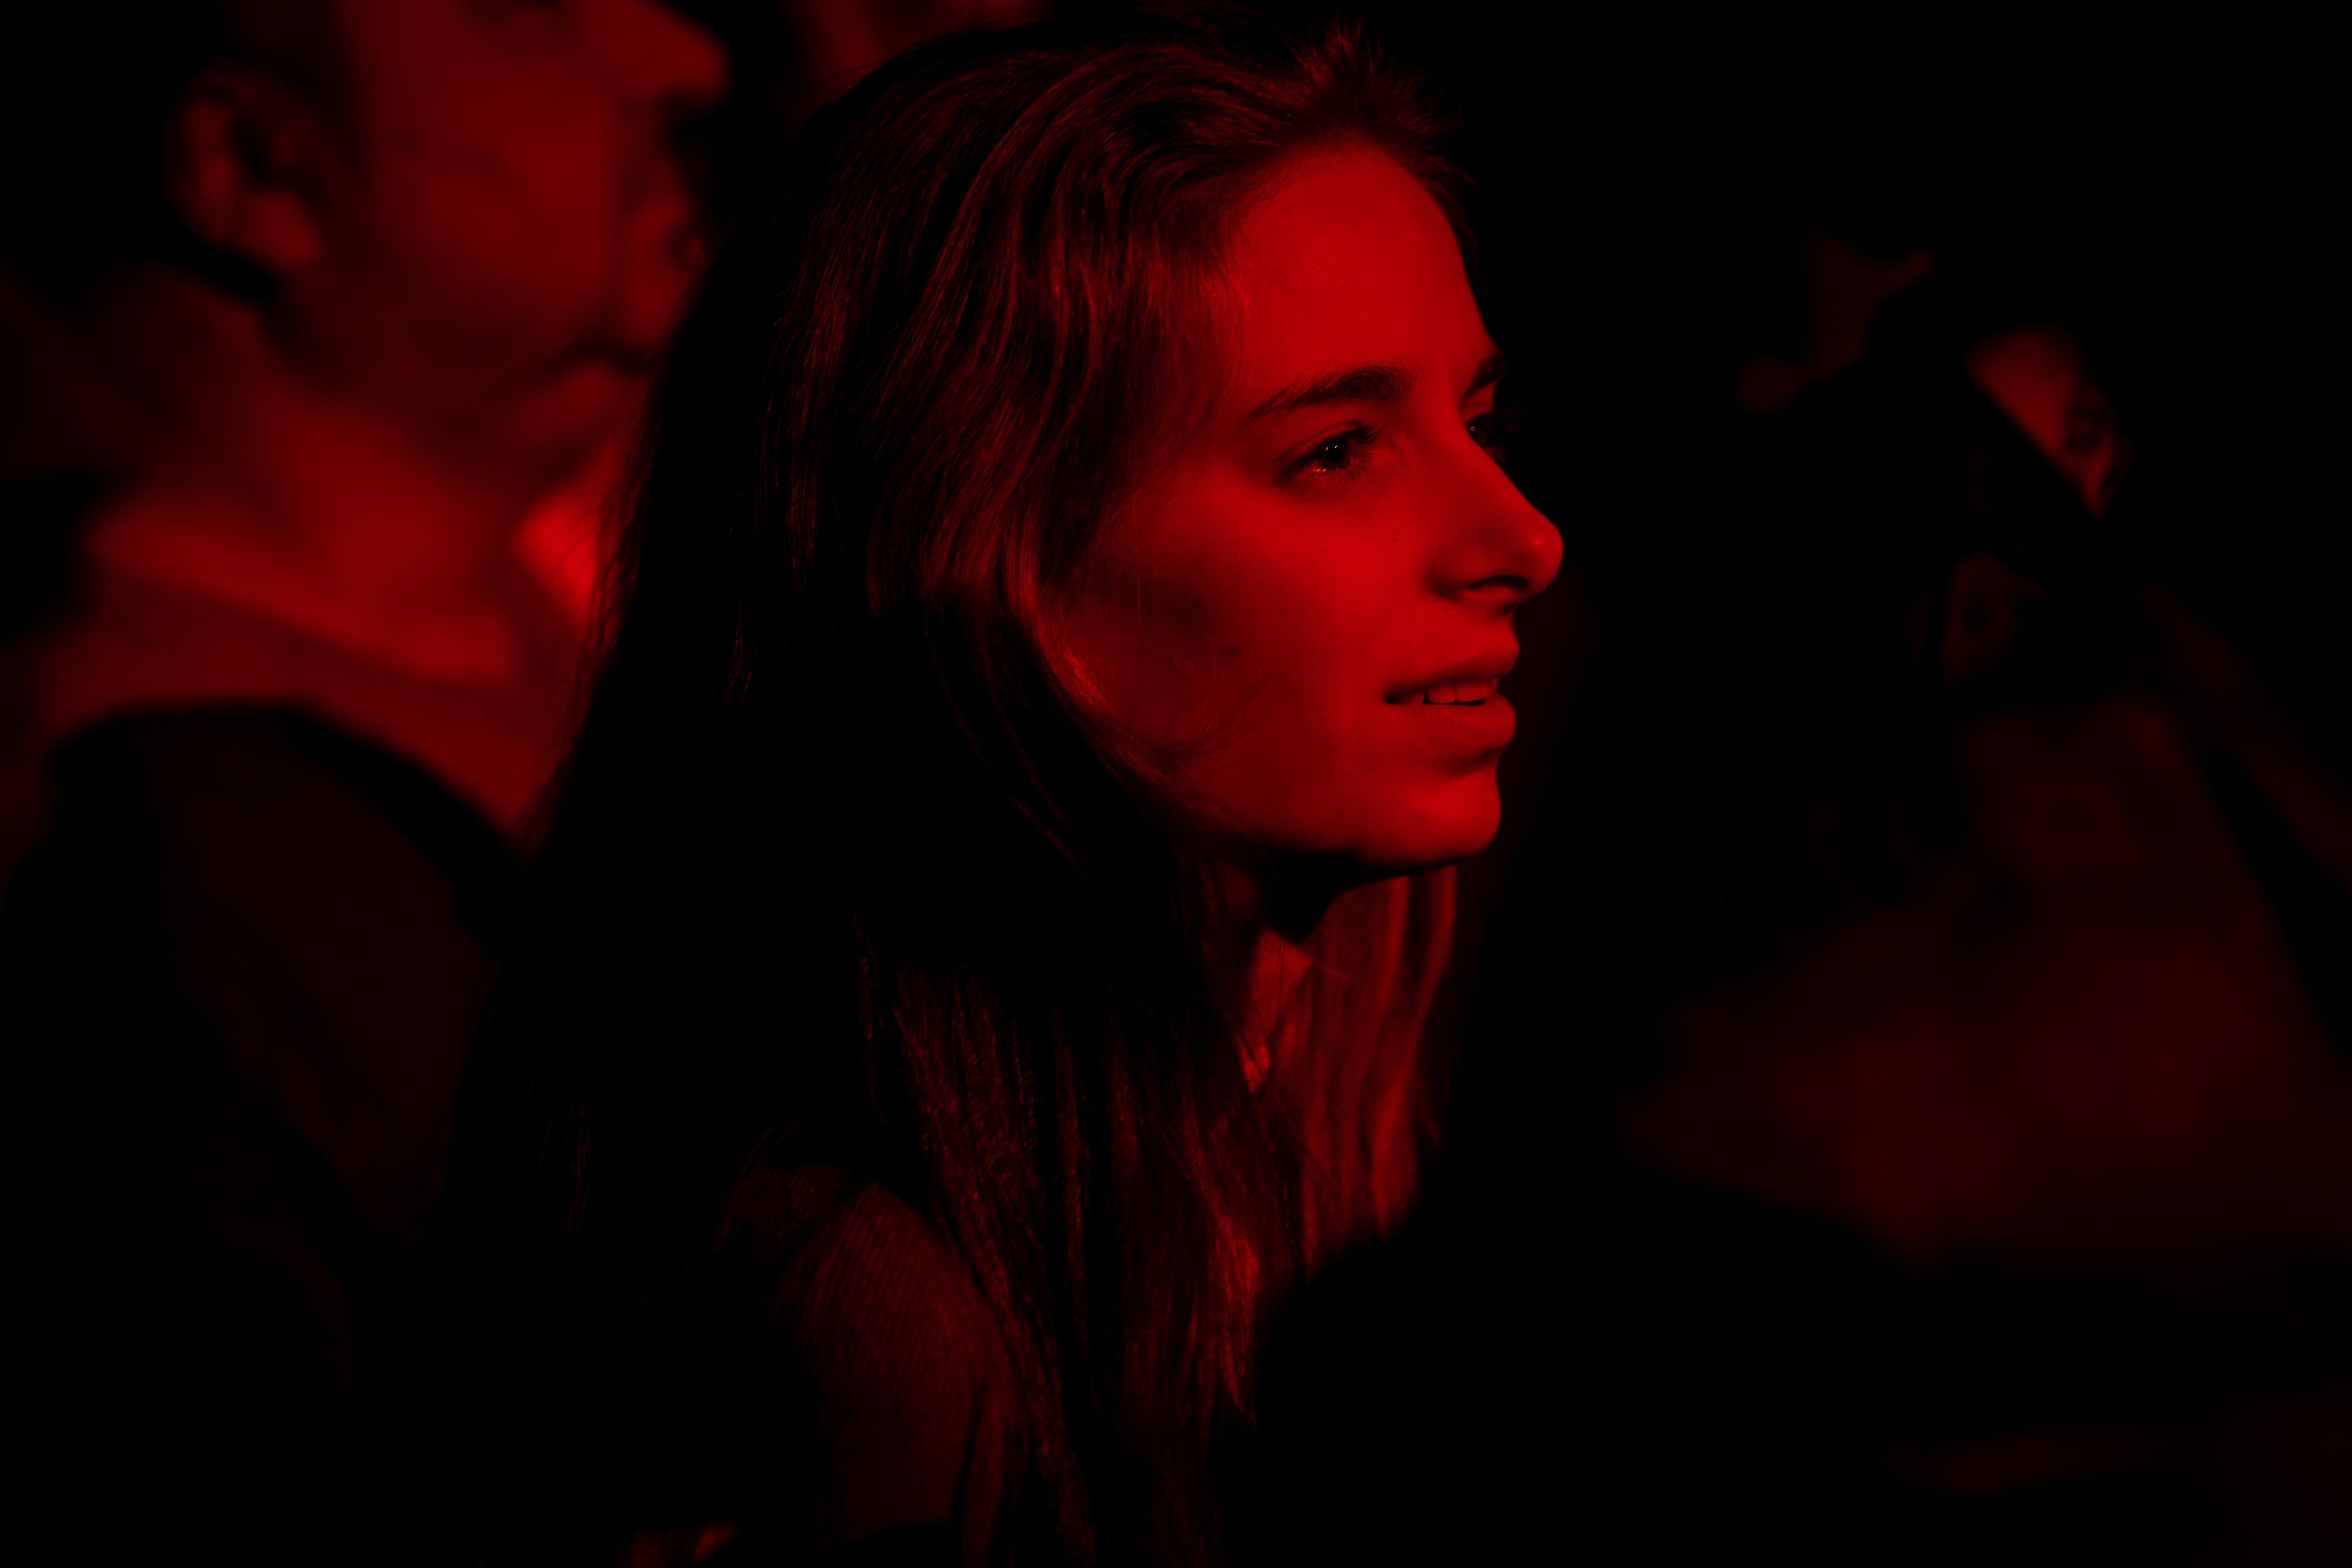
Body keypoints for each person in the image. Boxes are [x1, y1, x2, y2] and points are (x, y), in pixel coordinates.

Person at [437, 18, 1559, 1566]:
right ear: (997, 573)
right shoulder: (861, 1308)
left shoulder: (1290, 1196)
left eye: (1479, 422)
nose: (1521, 539)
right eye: (1338, 452)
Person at [0, 3, 727, 1561]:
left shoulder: (639, 650)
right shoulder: (88, 823)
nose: (683, 57)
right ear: (246, 165)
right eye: (527, 12)